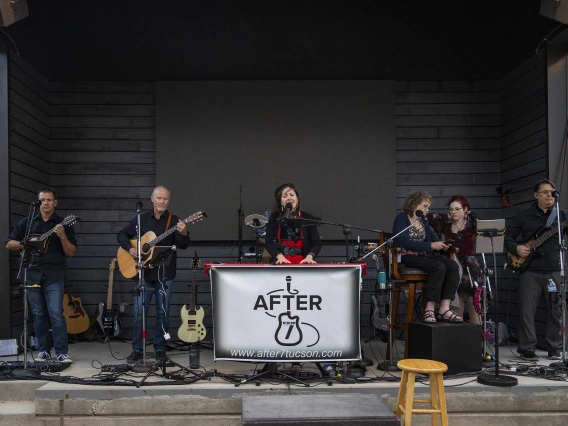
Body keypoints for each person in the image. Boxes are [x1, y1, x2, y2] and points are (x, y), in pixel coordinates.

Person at [117, 185, 190, 362]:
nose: (162, 202)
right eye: (159, 198)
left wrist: (184, 232)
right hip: (144, 273)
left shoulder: (174, 220)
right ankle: (137, 350)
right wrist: (130, 249)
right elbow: (121, 235)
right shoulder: (141, 219)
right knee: (138, 313)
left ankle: (159, 349)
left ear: (169, 201)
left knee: (162, 312)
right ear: (152, 198)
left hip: (165, 273)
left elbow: (182, 245)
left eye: (165, 199)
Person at [6, 188, 77, 363]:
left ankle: (61, 352)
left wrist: (62, 237)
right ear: (38, 202)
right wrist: (27, 244)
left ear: (55, 203)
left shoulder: (62, 223)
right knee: (38, 314)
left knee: (56, 313)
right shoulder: (28, 223)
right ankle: (43, 350)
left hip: (54, 274)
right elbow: (9, 244)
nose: (45, 203)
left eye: (49, 200)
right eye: (42, 200)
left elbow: (71, 252)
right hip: (32, 274)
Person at [504, 179, 564, 361]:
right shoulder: (524, 216)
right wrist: (517, 249)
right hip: (529, 269)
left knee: (555, 310)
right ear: (536, 195)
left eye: (552, 192)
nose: (549, 196)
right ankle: (527, 348)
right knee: (526, 310)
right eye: (545, 192)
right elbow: (508, 238)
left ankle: (554, 347)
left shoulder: (561, 216)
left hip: (553, 269)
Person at [392, 191, 462, 323]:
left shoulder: (424, 222)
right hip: (408, 256)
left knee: (453, 265)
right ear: (414, 204)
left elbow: (434, 239)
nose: (426, 210)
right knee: (438, 266)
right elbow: (402, 241)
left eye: (428, 207)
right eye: (424, 206)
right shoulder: (402, 218)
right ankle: (429, 309)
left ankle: (444, 308)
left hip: (425, 257)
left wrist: (442, 245)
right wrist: (430, 246)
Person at [428, 195, 482, 324]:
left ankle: (477, 339)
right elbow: (431, 217)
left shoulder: (472, 223)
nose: (453, 212)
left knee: (474, 303)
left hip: (470, 265)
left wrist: (469, 214)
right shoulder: (446, 225)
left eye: (457, 209)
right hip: (453, 263)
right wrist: (449, 216)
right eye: (451, 209)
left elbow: (480, 221)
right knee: (456, 303)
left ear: (465, 209)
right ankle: (459, 339)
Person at [265, 183, 321, 264]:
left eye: (292, 195)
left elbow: (317, 243)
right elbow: (268, 243)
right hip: (282, 261)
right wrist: (279, 256)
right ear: (281, 202)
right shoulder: (274, 218)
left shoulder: (307, 217)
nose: (289, 198)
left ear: (297, 199)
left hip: (303, 261)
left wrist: (310, 257)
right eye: (285, 196)